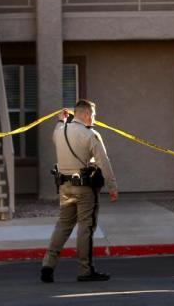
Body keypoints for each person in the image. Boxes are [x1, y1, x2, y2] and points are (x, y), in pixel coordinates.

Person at [41, 99, 119, 283]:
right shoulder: (90, 135)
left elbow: (56, 132)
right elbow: (103, 162)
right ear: (85, 114)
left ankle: (47, 265)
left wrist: (61, 120)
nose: (94, 119)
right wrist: (112, 186)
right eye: (93, 115)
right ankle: (85, 270)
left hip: (64, 187)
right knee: (86, 227)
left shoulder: (59, 131)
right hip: (85, 189)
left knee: (63, 225)